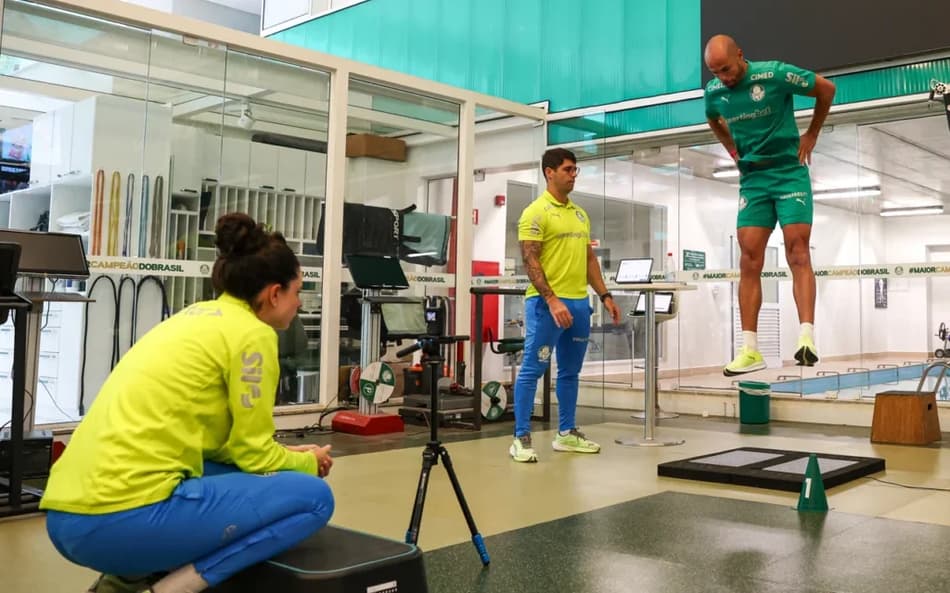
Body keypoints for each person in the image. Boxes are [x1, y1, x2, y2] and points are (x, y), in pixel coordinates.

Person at [41, 213, 335, 593]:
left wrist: (289, 455)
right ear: (274, 293)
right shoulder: (253, 335)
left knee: (229, 472)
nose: (299, 303)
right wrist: (308, 463)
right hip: (117, 520)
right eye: (297, 291)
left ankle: (123, 582)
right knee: (314, 499)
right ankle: (169, 588)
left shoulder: (195, 317)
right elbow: (255, 455)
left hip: (65, 515)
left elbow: (215, 445)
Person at [703, 34, 836, 376]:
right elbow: (713, 119)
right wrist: (732, 150)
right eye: (715, 72)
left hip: (789, 172)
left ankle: (806, 338)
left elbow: (827, 89)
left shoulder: (774, 74)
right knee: (749, 258)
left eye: (727, 69)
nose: (723, 78)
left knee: (797, 251)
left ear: (741, 55)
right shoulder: (714, 92)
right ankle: (750, 349)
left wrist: (812, 134)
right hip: (753, 178)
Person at [510, 148, 622, 463]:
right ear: (550, 172)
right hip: (546, 305)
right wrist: (551, 299)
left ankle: (566, 433)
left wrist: (605, 296)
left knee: (571, 371)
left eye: (575, 170)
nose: (573, 175)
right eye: (568, 169)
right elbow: (530, 260)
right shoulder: (535, 212)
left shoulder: (580, 214)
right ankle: (520, 437)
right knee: (533, 369)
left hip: (578, 304)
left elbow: (589, 260)